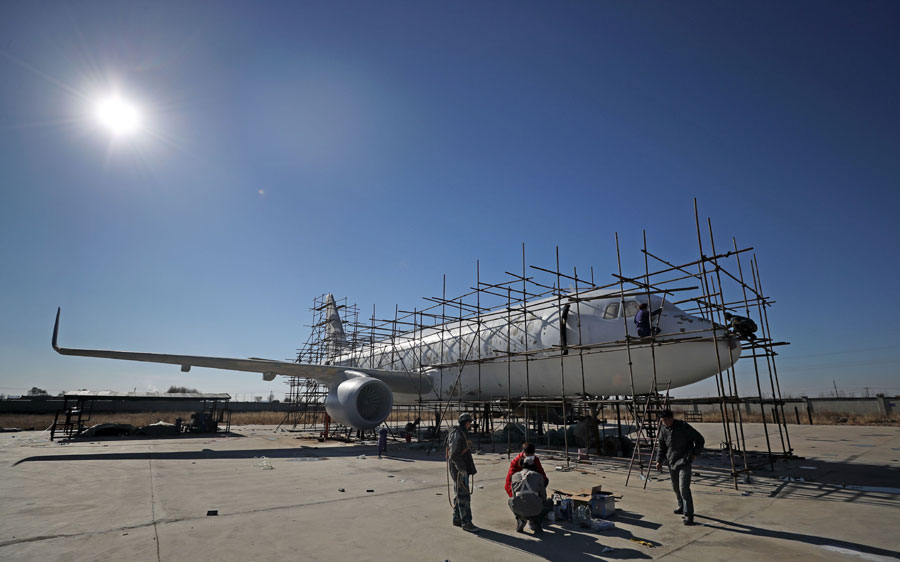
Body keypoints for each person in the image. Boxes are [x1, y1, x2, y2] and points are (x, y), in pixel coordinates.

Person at [656, 409, 705, 525]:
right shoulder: (663, 429)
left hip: (684, 461)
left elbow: (700, 439)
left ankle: (688, 515)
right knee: (675, 487)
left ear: (671, 418)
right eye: (662, 421)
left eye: (666, 420)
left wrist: (694, 454)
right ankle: (681, 506)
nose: (664, 423)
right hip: (671, 461)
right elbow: (661, 446)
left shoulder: (683, 427)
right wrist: (658, 461)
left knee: (684, 488)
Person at [446, 413, 479, 533]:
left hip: (461, 469)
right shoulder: (457, 434)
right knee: (464, 496)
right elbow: (454, 454)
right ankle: (466, 522)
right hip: (460, 470)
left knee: (459, 494)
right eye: (469, 422)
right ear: (465, 422)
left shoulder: (461, 433)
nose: (470, 424)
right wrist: (462, 469)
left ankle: (457, 518)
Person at [508, 455, 551, 534]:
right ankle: (536, 523)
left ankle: (520, 519)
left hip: (519, 509)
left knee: (510, 500)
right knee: (549, 502)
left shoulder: (514, 476)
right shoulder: (538, 476)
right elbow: (543, 496)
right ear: (533, 465)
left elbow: (514, 495)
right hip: (536, 511)